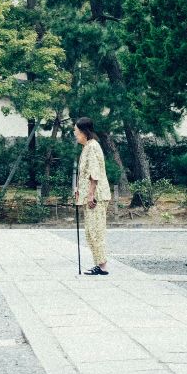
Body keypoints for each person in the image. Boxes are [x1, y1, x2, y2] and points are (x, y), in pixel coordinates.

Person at [72, 118, 111, 276]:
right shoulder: (87, 147)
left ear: (83, 132)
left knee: (95, 231)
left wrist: (91, 194)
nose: (75, 134)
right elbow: (85, 174)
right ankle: (99, 264)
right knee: (90, 231)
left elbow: (94, 174)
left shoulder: (92, 147)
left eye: (76, 131)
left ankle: (102, 266)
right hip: (91, 194)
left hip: (97, 197)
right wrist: (79, 189)